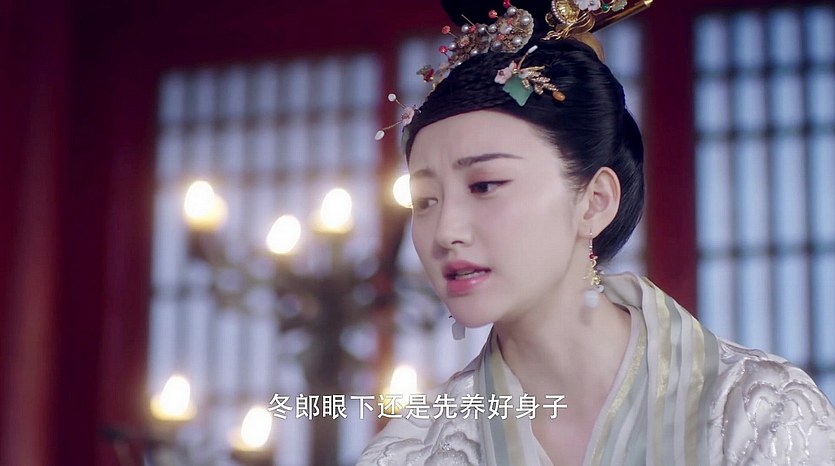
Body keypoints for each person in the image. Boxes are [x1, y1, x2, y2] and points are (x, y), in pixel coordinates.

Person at [359, 0, 835, 464]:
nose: (445, 231)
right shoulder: (408, 453)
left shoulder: (761, 413)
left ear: (595, 201)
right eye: (424, 201)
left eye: (485, 186)